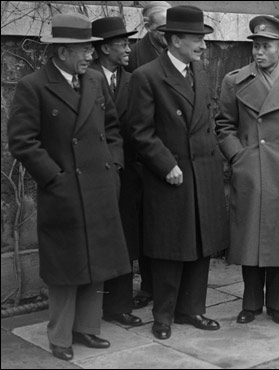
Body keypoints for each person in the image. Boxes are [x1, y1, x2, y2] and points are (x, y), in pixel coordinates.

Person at [7, 13, 131, 361]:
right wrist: (55, 178)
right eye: (83, 50)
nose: (91, 55)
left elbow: (112, 129)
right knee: (66, 266)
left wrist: (115, 167)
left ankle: (87, 329)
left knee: (97, 261)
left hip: (100, 185)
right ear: (61, 52)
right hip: (63, 190)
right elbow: (22, 141)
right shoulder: (33, 86)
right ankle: (60, 336)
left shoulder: (93, 80)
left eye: (91, 49)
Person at [127, 5, 228, 341]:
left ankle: (192, 310)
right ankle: (164, 315)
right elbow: (140, 131)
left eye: (202, 37)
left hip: (204, 173)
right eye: (196, 38)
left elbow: (207, 120)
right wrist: (166, 164)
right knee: (170, 246)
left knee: (201, 245)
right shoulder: (147, 76)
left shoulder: (199, 71)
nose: (202, 44)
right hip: (171, 175)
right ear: (174, 40)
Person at [215, 16, 279, 325]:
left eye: (266, 47)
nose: (258, 53)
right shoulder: (234, 80)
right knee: (250, 238)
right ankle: (250, 303)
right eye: (256, 46)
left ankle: (277, 304)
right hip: (252, 169)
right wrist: (238, 157)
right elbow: (223, 125)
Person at [90, 16, 142, 327]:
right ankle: (90, 308)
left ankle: (119, 306)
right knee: (97, 241)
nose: (128, 48)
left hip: (128, 175)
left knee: (125, 239)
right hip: (96, 174)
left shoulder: (132, 80)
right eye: (122, 43)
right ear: (105, 47)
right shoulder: (87, 77)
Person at [126, 1, 172, 310]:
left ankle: (171, 283)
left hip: (175, 151)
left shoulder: (179, 50)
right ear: (146, 26)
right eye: (161, 29)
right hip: (145, 153)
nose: (167, 34)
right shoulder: (135, 58)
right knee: (146, 223)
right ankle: (148, 284)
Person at [126, 1, 172, 73]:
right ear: (148, 27)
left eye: (173, 27)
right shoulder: (131, 57)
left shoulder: (182, 51)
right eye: (164, 28)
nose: (170, 33)